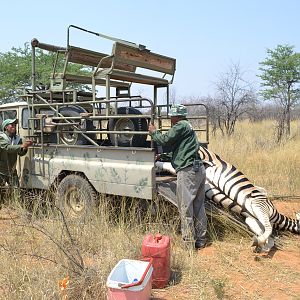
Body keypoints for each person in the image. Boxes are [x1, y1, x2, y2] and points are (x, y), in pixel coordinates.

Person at [148, 104, 208, 250]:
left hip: (187, 171)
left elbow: (164, 140)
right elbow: (181, 149)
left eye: (171, 116)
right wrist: (164, 155)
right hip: (198, 168)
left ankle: (188, 244)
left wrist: (154, 132)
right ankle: (201, 239)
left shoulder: (181, 125)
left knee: (185, 208)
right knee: (199, 207)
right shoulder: (187, 126)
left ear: (176, 116)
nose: (170, 119)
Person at [0, 118, 32, 187]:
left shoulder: (17, 139)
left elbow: (21, 153)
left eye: (15, 124)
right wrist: (22, 146)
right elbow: (7, 148)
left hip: (12, 170)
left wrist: (25, 147)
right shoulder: (1, 137)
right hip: (1, 171)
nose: (14, 126)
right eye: (11, 124)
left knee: (16, 191)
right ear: (6, 127)